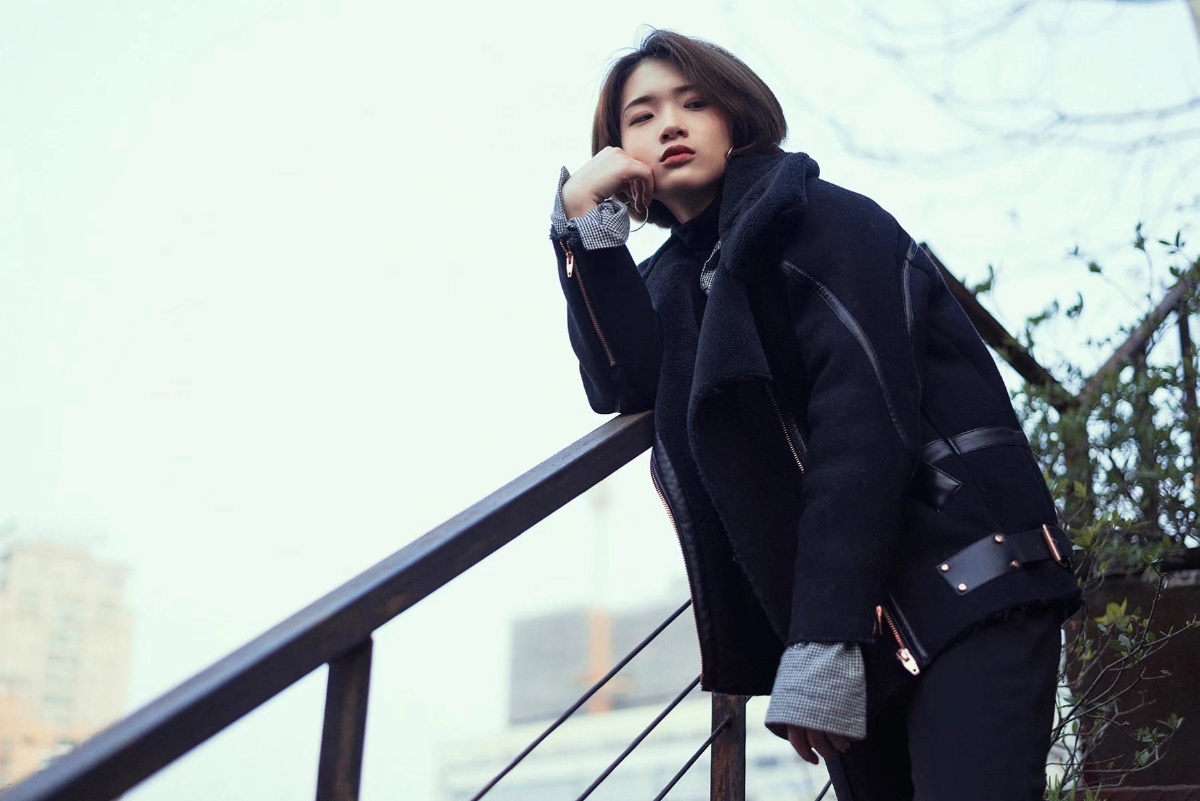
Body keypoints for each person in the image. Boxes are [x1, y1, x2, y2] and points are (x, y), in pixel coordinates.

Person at [549, 29, 1080, 801]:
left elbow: (861, 426)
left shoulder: (823, 221)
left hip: (963, 581)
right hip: (855, 626)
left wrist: (821, 633)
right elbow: (624, 380)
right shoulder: (675, 283)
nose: (670, 125)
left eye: (694, 102)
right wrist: (585, 226)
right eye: (643, 115)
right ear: (618, 148)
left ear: (735, 118)